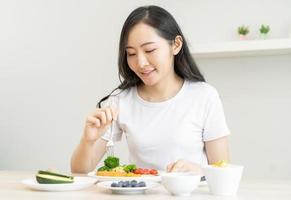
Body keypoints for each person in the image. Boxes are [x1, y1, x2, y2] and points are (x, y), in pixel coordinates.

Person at [71, 5, 230, 174]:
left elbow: (223, 171)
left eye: (149, 50)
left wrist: (197, 171)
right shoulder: (120, 100)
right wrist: (88, 140)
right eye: (131, 53)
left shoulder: (204, 96)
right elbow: (79, 171)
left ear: (176, 45)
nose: (140, 63)